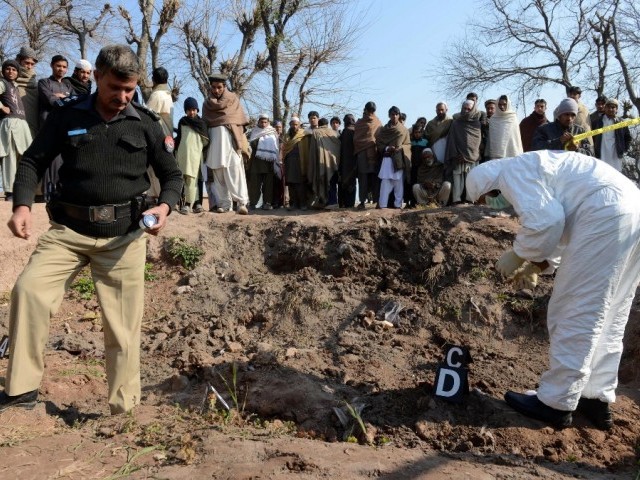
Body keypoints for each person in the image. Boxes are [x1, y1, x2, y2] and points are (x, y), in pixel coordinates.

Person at [0, 44, 183, 415]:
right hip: (67, 234)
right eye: (115, 87)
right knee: (29, 292)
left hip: (124, 237)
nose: (122, 96)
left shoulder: (146, 122)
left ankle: (123, 409)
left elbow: (172, 175)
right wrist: (22, 205)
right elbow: (33, 161)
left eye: (130, 89)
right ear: (97, 76)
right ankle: (21, 392)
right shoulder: (67, 115)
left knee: (122, 328)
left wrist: (164, 207)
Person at [466, 150, 640, 430]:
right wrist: (538, 265)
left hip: (605, 211)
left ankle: (555, 402)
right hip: (631, 207)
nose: (492, 203)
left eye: (487, 197)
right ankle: (595, 397)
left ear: (488, 185)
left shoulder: (511, 172)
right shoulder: (537, 166)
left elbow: (546, 220)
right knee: (612, 312)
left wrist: (519, 254)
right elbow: (561, 220)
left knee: (576, 308)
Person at [202, 73, 250, 214]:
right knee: (218, 173)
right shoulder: (207, 103)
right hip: (214, 144)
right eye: (213, 87)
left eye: (219, 87)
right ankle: (224, 203)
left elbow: (239, 120)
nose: (216, 90)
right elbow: (205, 123)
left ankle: (242, 203)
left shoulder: (233, 99)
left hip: (230, 142)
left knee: (235, 172)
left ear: (224, 87)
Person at [0, 60, 33, 201]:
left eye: (14, 69)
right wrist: (1, 107)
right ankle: (10, 192)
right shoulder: (2, 83)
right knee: (10, 156)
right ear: (3, 71)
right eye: (8, 69)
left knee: (25, 158)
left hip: (21, 124)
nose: (11, 72)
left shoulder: (15, 86)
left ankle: (21, 191)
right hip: (10, 122)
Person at [175, 97, 209, 214]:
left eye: (194, 109)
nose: (192, 112)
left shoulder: (201, 123)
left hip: (196, 156)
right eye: (189, 110)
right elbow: (179, 138)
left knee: (195, 179)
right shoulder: (182, 122)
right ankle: (186, 204)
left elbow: (205, 141)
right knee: (184, 179)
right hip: (183, 155)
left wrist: (196, 148)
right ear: (185, 111)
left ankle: (195, 203)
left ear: (197, 110)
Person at [444, 99, 482, 203]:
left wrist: (467, 155)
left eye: (469, 109)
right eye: (464, 108)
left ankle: (470, 200)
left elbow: (476, 142)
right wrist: (457, 155)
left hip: (472, 157)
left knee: (471, 179)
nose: (466, 111)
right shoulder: (456, 123)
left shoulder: (477, 124)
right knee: (457, 179)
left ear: (473, 109)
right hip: (458, 157)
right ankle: (456, 200)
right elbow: (452, 140)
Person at [376, 106, 410, 209]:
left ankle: (398, 205)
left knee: (398, 184)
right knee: (385, 183)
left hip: (398, 159)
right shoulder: (383, 130)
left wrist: (400, 148)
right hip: (387, 159)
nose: (394, 116)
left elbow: (408, 144)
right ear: (389, 115)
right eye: (392, 114)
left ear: (399, 115)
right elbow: (379, 143)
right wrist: (387, 148)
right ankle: (383, 205)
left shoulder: (404, 130)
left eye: (396, 114)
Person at [353, 101, 382, 210]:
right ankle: (362, 201)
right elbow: (356, 139)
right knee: (363, 178)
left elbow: (380, 137)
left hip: (373, 153)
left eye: (372, 110)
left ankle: (377, 201)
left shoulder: (377, 122)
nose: (370, 112)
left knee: (374, 178)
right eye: (369, 110)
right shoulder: (360, 123)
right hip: (363, 154)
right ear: (365, 110)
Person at [247, 113, 279, 210]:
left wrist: (261, 142)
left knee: (268, 185)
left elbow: (275, 147)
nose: (264, 124)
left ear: (268, 122)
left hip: (268, 163)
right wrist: (262, 141)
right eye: (262, 122)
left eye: (265, 122)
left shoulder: (273, 132)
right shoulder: (254, 131)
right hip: (256, 162)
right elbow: (252, 144)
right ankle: (252, 203)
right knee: (254, 184)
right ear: (258, 122)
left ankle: (267, 203)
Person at [592, 98, 631, 172]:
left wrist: (624, 149)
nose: (610, 109)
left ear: (616, 109)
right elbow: (592, 137)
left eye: (613, 107)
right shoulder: (597, 122)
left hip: (616, 155)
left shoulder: (621, 122)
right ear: (605, 108)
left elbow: (627, 137)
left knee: (615, 175)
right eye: (608, 107)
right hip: (601, 154)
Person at [485, 95, 523, 160]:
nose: (502, 106)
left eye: (504, 104)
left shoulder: (513, 117)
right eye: (500, 104)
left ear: (508, 104)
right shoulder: (493, 119)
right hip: (497, 153)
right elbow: (492, 139)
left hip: (512, 152)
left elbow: (515, 137)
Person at [37, 55, 71, 128]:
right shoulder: (44, 82)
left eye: (64, 67)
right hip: (47, 124)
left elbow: (75, 100)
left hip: (65, 125)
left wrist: (59, 96)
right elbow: (49, 99)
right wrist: (66, 100)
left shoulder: (68, 86)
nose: (61, 69)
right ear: (51, 65)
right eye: (58, 66)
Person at [282, 117, 307, 210]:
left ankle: (303, 204)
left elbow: (306, 149)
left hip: (300, 162)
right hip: (289, 162)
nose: (294, 126)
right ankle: (293, 204)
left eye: (296, 124)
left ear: (299, 125)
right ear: (290, 125)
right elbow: (284, 149)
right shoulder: (286, 136)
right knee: (291, 184)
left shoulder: (304, 134)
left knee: (300, 183)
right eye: (292, 124)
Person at [338, 113, 357, 208]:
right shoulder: (356, 131)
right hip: (353, 161)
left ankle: (345, 202)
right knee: (351, 182)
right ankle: (350, 203)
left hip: (345, 161)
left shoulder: (346, 131)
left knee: (345, 182)